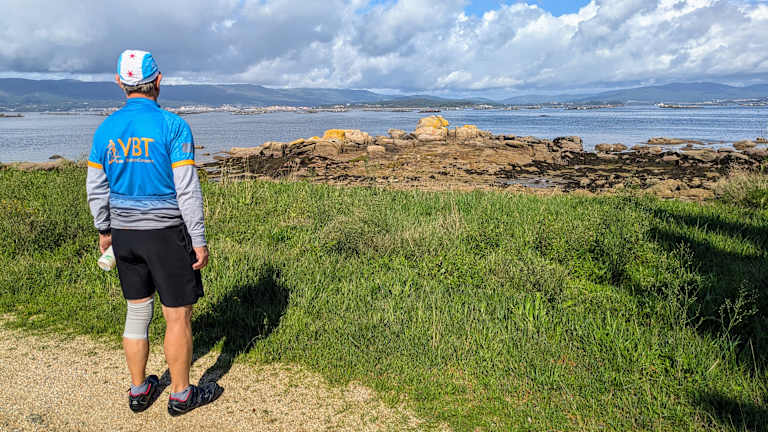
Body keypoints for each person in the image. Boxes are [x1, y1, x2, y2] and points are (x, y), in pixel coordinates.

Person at [86, 49, 223, 416]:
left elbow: (96, 189)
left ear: (120, 83)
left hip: (124, 233)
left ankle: (139, 389)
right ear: (158, 81)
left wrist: (105, 229)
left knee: (136, 312)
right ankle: (180, 395)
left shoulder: (105, 129)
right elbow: (187, 190)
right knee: (176, 316)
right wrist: (198, 239)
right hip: (166, 234)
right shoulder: (173, 126)